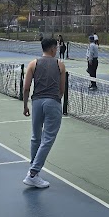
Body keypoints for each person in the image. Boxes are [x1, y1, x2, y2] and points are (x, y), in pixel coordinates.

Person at [22, 38, 67, 188]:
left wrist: (25, 106)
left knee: (36, 137)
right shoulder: (60, 64)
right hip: (52, 102)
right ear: (53, 49)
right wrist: (55, 100)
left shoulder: (33, 64)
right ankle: (33, 173)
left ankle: (33, 170)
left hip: (36, 102)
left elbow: (26, 88)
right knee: (47, 139)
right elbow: (62, 89)